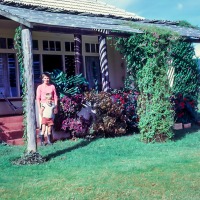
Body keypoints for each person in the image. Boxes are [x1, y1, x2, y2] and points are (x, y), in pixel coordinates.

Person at [36, 72, 58, 145]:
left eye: (48, 78)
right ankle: (42, 141)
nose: (46, 79)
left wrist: (55, 107)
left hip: (51, 106)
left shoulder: (52, 86)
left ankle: (49, 140)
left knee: (50, 123)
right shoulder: (40, 87)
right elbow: (38, 98)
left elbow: (55, 97)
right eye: (45, 78)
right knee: (43, 124)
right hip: (43, 106)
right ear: (42, 79)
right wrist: (39, 109)